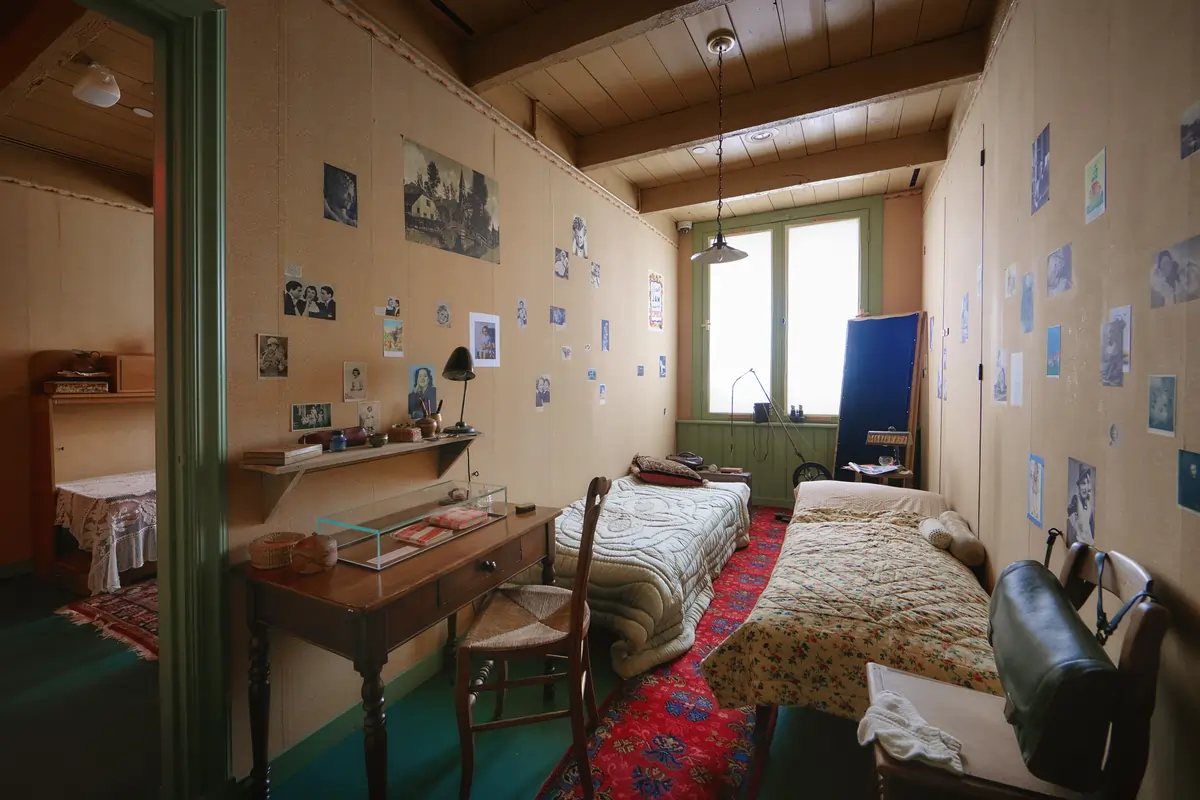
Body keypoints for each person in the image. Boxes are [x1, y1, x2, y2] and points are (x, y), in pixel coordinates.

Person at [1067, 464, 1096, 545]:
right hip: (1079, 548)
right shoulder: (1076, 499)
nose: (1084, 487)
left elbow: (1093, 532)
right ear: (1079, 486)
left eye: (1087, 483)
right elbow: (1067, 517)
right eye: (1082, 483)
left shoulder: (1089, 508)